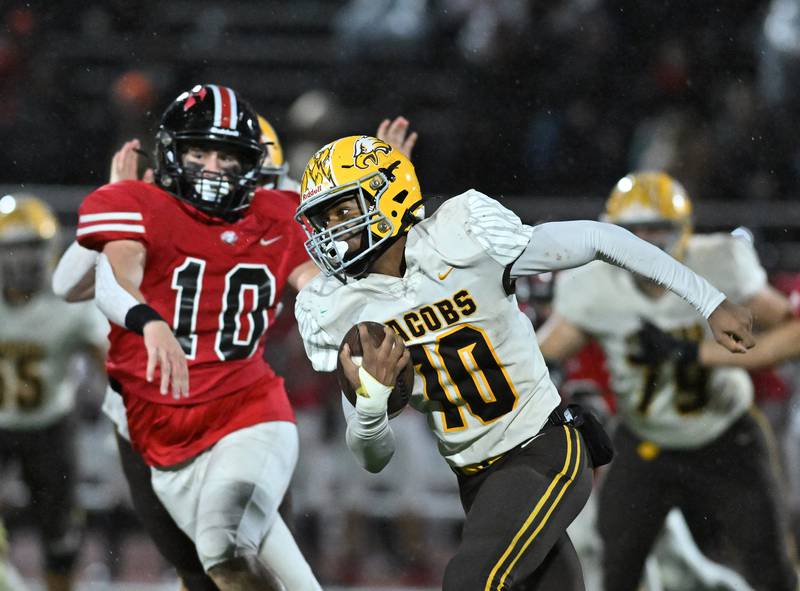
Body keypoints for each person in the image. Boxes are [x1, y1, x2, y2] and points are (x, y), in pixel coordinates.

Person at [292, 137, 755, 589]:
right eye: (323, 218)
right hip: (477, 481)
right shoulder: (343, 308)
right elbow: (373, 457)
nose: (332, 229)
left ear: (386, 195)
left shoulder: (461, 237)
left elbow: (598, 237)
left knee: (471, 581)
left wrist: (709, 301)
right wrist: (371, 404)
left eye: (343, 210)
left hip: (544, 449)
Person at [73, 84, 321, 591]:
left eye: (227, 156)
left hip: (245, 411)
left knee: (222, 548)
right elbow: (106, 280)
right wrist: (147, 318)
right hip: (160, 428)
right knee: (238, 574)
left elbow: (321, 288)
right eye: (199, 152)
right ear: (172, 152)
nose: (211, 167)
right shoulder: (136, 202)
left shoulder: (279, 213)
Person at [537, 171, 798, 591]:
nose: (644, 241)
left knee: (772, 568)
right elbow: (544, 353)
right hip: (645, 443)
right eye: (633, 231)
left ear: (684, 230)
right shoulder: (590, 285)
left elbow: (793, 332)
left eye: (657, 228)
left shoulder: (720, 263)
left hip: (726, 436)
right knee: (616, 569)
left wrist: (694, 354)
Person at [0, 195, 108, 591]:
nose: (21, 261)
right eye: (11, 248)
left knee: (62, 538)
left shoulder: (70, 304)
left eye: (30, 247)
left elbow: (112, 366)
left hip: (49, 426)